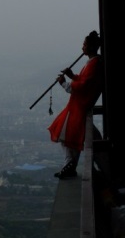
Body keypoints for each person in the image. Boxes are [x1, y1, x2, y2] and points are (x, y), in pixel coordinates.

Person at [48, 30, 104, 179]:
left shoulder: (94, 64)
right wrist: (72, 76)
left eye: (84, 45)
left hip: (79, 106)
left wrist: (65, 83)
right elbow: (83, 80)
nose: (82, 48)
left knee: (68, 136)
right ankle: (69, 165)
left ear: (91, 47)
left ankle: (70, 165)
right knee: (67, 135)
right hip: (77, 106)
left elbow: (84, 85)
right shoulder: (93, 63)